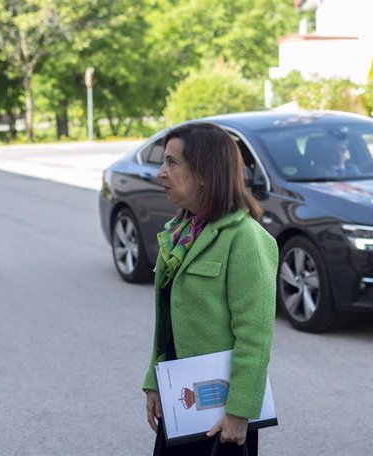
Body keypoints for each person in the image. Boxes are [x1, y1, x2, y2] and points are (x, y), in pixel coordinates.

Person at [143, 123, 278, 456]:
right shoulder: (179, 233)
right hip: (182, 403)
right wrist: (154, 382)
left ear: (205, 172)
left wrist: (239, 410)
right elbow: (167, 322)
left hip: (223, 414)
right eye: (164, 162)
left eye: (172, 163)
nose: (161, 172)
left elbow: (255, 335)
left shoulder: (245, 238)